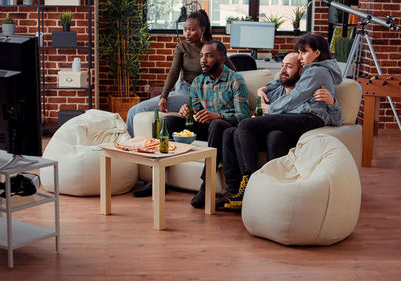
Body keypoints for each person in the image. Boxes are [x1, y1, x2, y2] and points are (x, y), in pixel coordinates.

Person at [218, 34, 343, 211]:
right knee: (239, 131)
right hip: (299, 119)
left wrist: (270, 110)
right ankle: (238, 191)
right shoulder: (312, 71)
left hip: (309, 120)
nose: (301, 56)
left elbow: (295, 97)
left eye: (303, 52)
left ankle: (252, 182)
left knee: (245, 125)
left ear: (317, 52)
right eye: (299, 52)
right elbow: (279, 82)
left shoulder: (316, 71)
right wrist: (265, 88)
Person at [165, 40, 250, 208]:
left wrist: (217, 115)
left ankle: (206, 185)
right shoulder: (198, 81)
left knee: (217, 124)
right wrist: (187, 109)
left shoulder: (235, 80)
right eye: (202, 56)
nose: (203, 60)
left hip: (225, 128)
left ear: (222, 59)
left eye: (209, 56)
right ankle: (160, 175)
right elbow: (196, 111)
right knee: (170, 120)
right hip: (206, 127)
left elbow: (243, 116)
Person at [126, 10, 236, 138]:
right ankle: (130, 146)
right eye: (185, 29)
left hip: (196, 96)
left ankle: (133, 147)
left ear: (202, 30)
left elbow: (232, 71)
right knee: (134, 110)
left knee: (139, 109)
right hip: (181, 90)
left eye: (191, 30)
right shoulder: (182, 46)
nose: (187, 33)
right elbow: (173, 72)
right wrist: (164, 96)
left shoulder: (212, 48)